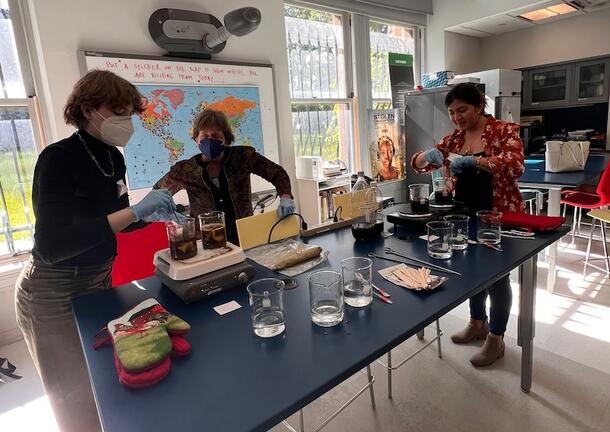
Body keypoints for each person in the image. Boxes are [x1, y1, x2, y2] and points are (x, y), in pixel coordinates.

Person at [14, 70, 177, 432]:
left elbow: (116, 219)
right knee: (74, 396)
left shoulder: (112, 158)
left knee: (107, 378)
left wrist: (150, 215)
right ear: (88, 109)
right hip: (52, 291)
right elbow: (54, 245)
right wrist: (134, 210)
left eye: (129, 112)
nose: (126, 121)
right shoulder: (58, 159)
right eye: (118, 111)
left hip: (98, 281)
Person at [411, 83, 525, 367]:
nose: (457, 117)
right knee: (474, 271)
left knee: (498, 277)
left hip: (497, 215)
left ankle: (496, 339)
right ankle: (477, 323)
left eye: (462, 110)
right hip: (464, 213)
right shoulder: (454, 139)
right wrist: (426, 155)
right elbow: (418, 164)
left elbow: (515, 165)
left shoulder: (503, 132)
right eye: (451, 112)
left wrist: (477, 162)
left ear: (478, 106)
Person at [154, 109, 295, 245]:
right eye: (205, 136)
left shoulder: (243, 157)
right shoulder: (185, 170)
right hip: (206, 240)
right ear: (196, 139)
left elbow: (277, 173)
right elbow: (157, 194)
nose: (210, 140)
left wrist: (285, 197)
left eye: (215, 136)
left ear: (226, 138)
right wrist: (170, 215)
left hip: (245, 235)